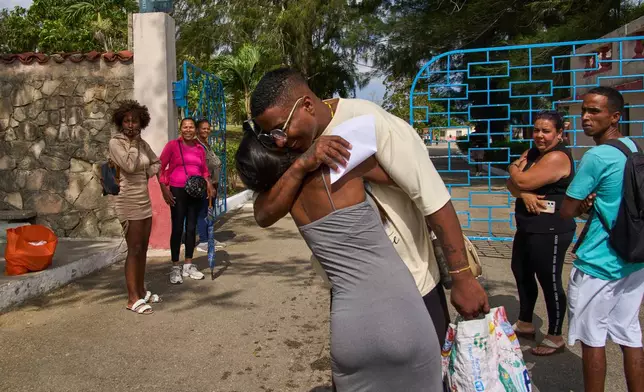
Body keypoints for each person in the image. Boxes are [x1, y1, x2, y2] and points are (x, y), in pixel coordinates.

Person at [247, 67, 489, 343]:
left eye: (281, 129)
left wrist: (462, 278)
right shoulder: (293, 149)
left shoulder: (369, 121)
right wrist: (303, 164)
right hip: (351, 297)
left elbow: (433, 198)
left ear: (306, 105)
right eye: (270, 136)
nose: (280, 141)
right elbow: (264, 214)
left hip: (414, 286)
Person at [235, 131, 442, 391]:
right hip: (401, 312)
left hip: (348, 329)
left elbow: (262, 215)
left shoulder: (282, 198)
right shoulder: (338, 163)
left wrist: (298, 167)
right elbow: (411, 181)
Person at [561, 87, 644, 392]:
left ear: (615, 116)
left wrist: (583, 205)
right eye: (583, 110)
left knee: (592, 337)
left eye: (594, 111)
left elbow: (567, 210)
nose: (585, 117)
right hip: (634, 258)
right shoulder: (632, 147)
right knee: (629, 332)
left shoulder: (596, 156)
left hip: (599, 261)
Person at [506, 111, 576, 356]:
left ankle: (555, 336)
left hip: (551, 229)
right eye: (536, 130)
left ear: (559, 133)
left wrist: (514, 171)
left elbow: (520, 179)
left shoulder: (557, 157)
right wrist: (522, 192)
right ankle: (525, 323)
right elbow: (514, 185)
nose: (539, 136)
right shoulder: (535, 152)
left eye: (546, 131)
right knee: (522, 272)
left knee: (549, 280)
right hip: (528, 226)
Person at [108, 100, 162, 314]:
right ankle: (132, 298)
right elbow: (129, 166)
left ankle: (141, 290)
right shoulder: (116, 143)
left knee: (143, 248)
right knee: (134, 249)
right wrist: (132, 144)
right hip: (127, 200)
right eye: (127, 121)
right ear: (121, 123)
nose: (131, 125)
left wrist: (146, 171)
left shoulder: (142, 143)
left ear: (142, 122)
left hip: (143, 199)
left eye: (135, 121)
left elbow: (156, 162)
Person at [159, 118, 213, 284]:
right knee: (177, 228)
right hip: (177, 190)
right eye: (185, 127)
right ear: (180, 129)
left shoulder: (199, 148)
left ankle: (188, 264)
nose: (188, 130)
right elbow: (160, 167)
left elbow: (203, 170)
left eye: (191, 127)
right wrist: (164, 189)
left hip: (196, 191)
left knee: (191, 228)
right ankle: (175, 266)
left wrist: (209, 184)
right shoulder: (173, 146)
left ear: (195, 130)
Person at [194, 119, 222, 253]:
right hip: (206, 184)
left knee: (210, 212)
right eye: (203, 128)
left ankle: (210, 237)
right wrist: (208, 184)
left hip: (214, 183)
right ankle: (203, 241)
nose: (206, 131)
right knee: (203, 212)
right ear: (198, 130)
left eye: (208, 128)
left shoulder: (206, 145)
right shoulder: (197, 145)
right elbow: (200, 166)